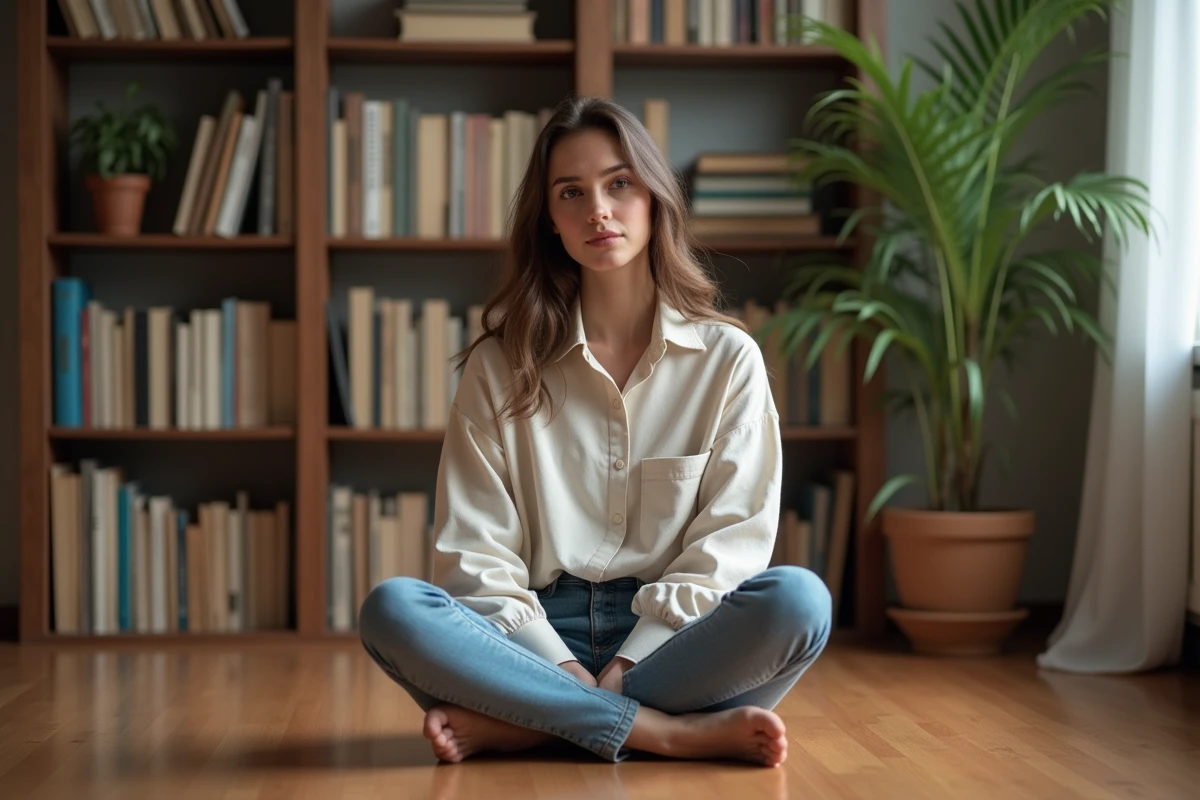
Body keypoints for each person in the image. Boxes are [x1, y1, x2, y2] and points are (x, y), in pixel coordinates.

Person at [358, 94, 832, 767]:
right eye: (571, 193)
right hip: (530, 638)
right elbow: (475, 557)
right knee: (393, 610)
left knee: (799, 601)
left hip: (675, 642)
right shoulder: (498, 367)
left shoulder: (728, 360)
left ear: (654, 198)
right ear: (549, 220)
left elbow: (732, 545)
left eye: (619, 184)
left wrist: (629, 657)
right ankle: (661, 733)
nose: (598, 211)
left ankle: (531, 724)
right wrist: (562, 668)